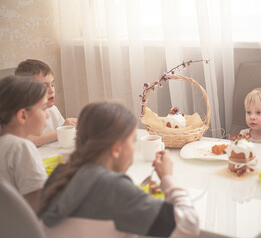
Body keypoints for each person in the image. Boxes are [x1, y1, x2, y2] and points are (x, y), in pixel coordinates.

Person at [38, 102, 199, 237]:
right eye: (132, 141)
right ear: (116, 149)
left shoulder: (58, 175)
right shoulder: (115, 188)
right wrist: (167, 178)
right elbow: (189, 226)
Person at [0, 76, 49, 211]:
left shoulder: (4, 144)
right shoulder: (21, 147)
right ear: (23, 115)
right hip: (26, 229)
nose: (48, 115)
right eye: (44, 108)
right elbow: (39, 203)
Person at [15, 59, 77, 147]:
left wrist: (72, 128)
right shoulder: (21, 114)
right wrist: (61, 130)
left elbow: (65, 136)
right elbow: (26, 141)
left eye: (52, 84)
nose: (51, 90)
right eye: (44, 86)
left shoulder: (52, 109)